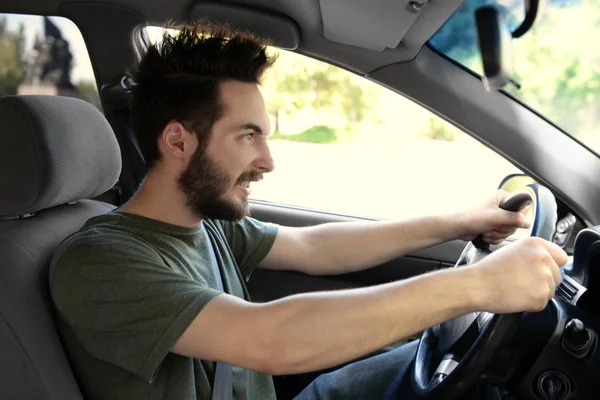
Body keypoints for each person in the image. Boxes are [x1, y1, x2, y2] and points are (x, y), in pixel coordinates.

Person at [49, 23, 567, 400]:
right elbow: (269, 340)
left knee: (447, 362)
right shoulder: (97, 262)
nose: (268, 161)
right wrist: (478, 287)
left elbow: (317, 247)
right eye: (247, 136)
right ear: (179, 141)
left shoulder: (203, 224)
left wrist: (459, 223)